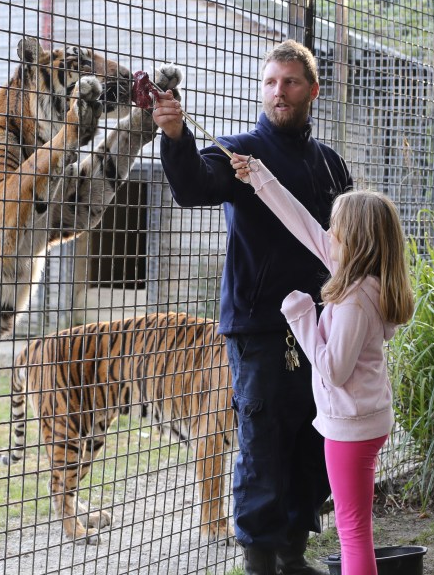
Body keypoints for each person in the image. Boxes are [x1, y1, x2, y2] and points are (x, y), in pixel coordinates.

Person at [153, 39, 353, 575]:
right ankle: (260, 561)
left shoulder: (330, 165)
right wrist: (175, 136)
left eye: (289, 82)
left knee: (312, 439)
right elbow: (194, 184)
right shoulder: (240, 154)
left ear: (312, 90)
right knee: (262, 444)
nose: (278, 92)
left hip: (323, 327)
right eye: (270, 82)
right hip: (260, 329)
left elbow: (347, 241)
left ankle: (293, 554)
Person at [233, 154, 414, 574]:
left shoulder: (353, 298)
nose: (328, 232)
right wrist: (259, 176)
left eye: (337, 227)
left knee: (352, 529)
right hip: (362, 419)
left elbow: (333, 369)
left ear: (356, 239)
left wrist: (300, 317)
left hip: (352, 425)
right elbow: (304, 226)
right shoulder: (359, 276)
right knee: (355, 526)